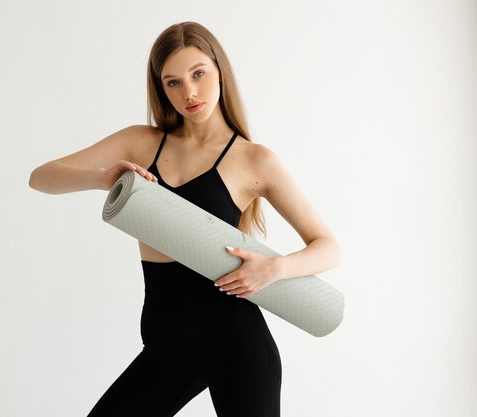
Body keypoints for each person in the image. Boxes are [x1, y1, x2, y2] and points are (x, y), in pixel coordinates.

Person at [29, 21, 341, 417]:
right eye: (172, 82)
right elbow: (41, 178)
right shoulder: (140, 142)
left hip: (237, 344)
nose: (189, 92)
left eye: (198, 74)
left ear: (219, 70)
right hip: (165, 344)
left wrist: (274, 269)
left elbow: (328, 247)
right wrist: (102, 177)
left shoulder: (253, 159)